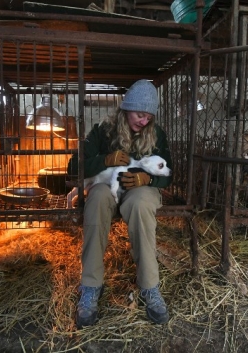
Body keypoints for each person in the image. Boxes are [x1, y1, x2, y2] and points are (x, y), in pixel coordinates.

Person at [67, 79, 173, 328]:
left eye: (149, 117)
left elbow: (169, 174)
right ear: (125, 109)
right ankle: (91, 286)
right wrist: (105, 159)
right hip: (108, 189)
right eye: (139, 114)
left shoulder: (156, 135)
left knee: (140, 204)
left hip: (140, 190)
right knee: (97, 197)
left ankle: (149, 287)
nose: (144, 121)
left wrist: (148, 177)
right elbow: (75, 166)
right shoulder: (103, 131)